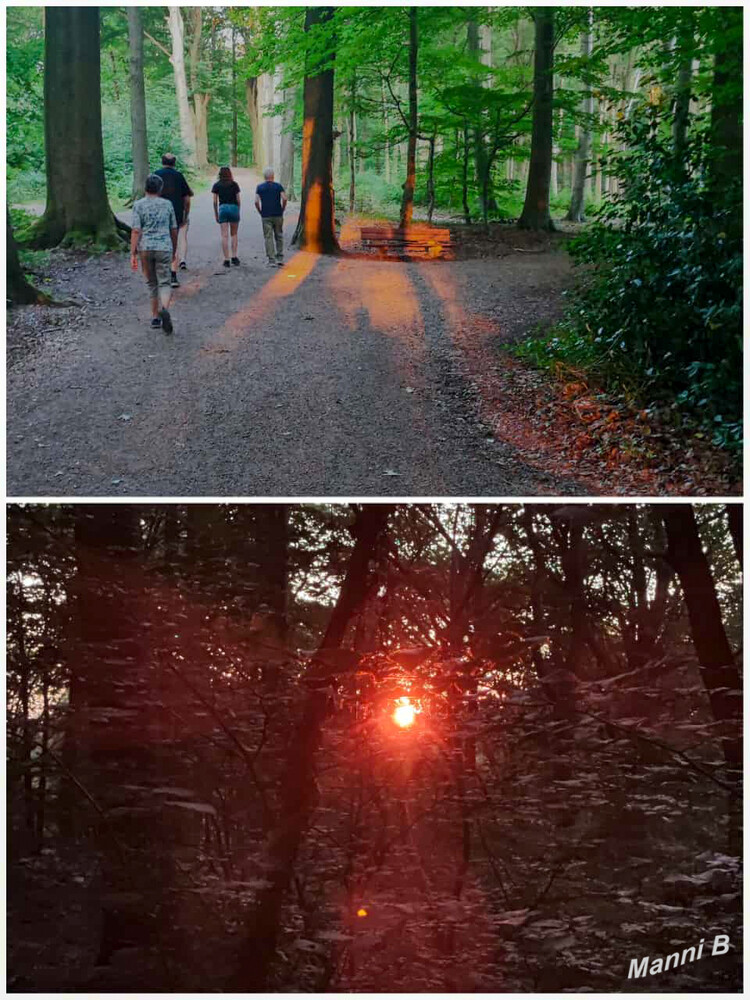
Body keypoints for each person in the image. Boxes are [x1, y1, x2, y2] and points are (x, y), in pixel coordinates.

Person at [130, 173, 178, 333]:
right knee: (164, 282)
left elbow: (136, 230)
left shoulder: (138, 205)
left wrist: (132, 253)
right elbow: (173, 228)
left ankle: (155, 317)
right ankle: (164, 308)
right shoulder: (167, 204)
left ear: (146, 188)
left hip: (146, 248)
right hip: (164, 246)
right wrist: (174, 248)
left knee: (152, 283)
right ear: (160, 189)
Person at [154, 152, 193, 286]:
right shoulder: (179, 176)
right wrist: (185, 214)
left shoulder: (155, 175)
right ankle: (173, 276)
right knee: (173, 245)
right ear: (174, 163)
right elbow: (187, 199)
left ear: (162, 161)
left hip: (158, 215)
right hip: (175, 215)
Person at [255, 167, 288, 267]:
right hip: (278, 214)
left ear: (264, 177)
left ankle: (271, 260)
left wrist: (260, 211)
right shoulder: (278, 186)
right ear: (273, 176)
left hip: (266, 215)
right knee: (279, 235)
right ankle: (280, 258)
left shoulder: (260, 187)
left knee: (268, 237)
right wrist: (282, 209)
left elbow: (256, 201)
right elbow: (285, 198)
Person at [211, 166, 242, 268]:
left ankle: (226, 259)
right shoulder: (234, 185)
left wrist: (216, 214)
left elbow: (215, 201)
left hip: (223, 208)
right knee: (234, 234)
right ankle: (234, 256)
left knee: (224, 235)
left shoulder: (217, 185)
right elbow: (238, 200)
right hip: (234, 208)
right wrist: (238, 210)